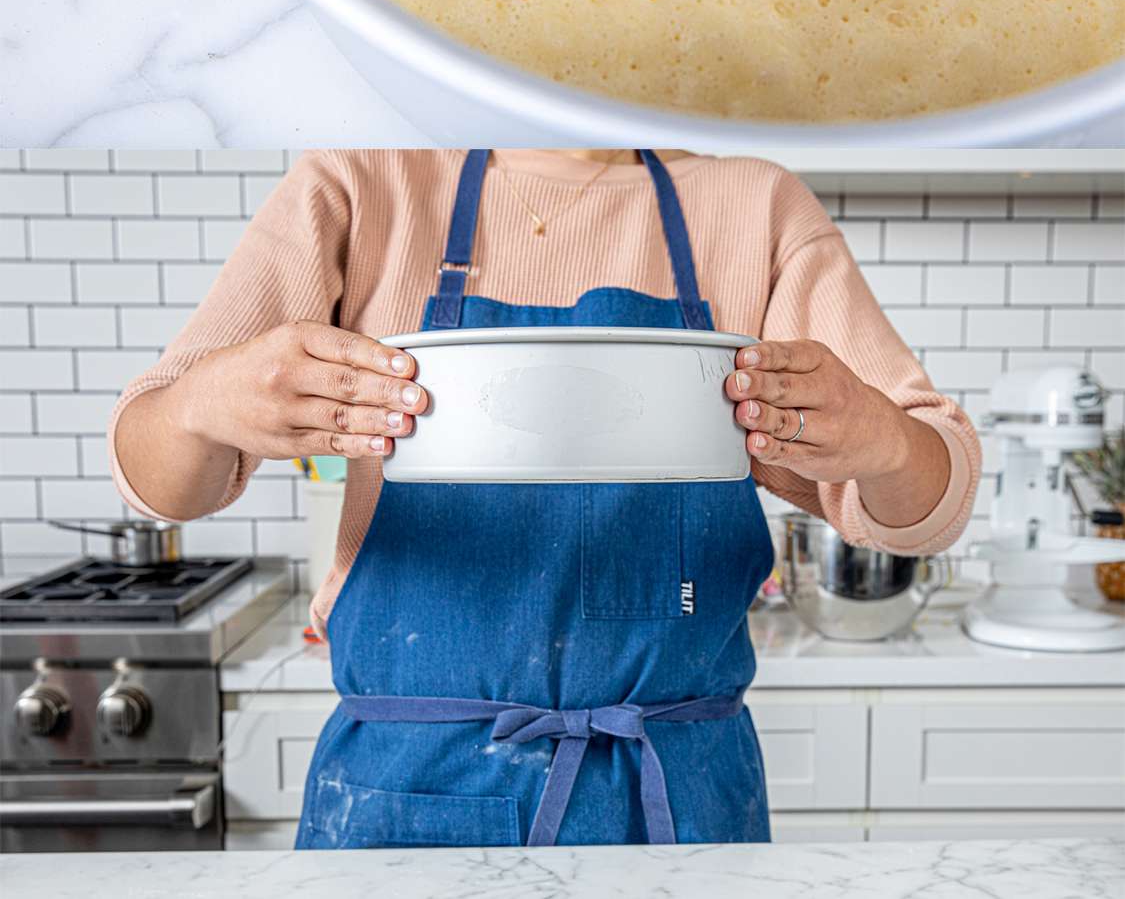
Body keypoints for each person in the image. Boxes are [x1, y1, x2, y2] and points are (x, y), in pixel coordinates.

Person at [109, 150, 979, 848]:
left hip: (671, 797)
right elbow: (160, 481)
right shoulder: (363, 182)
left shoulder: (753, 206)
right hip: (414, 788)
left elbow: (927, 506)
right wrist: (202, 404)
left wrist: (882, 438)